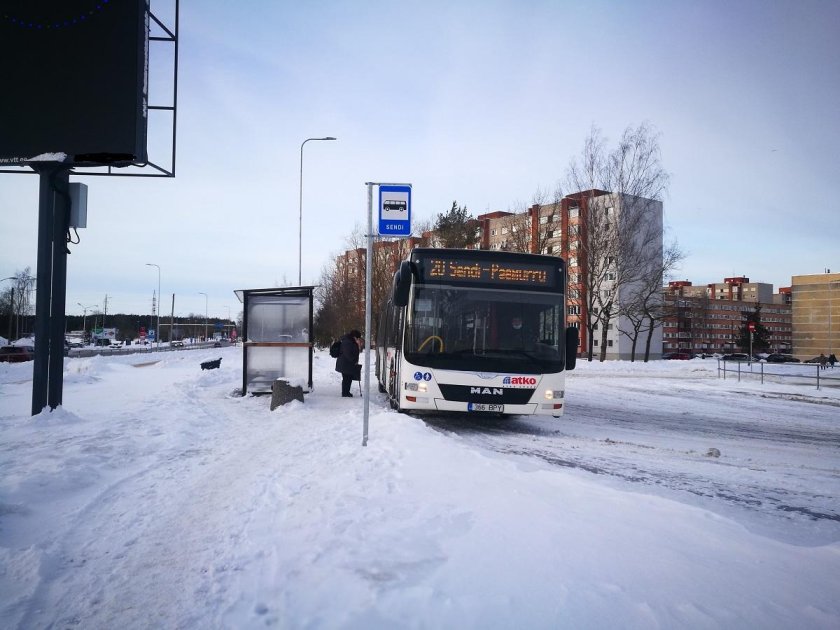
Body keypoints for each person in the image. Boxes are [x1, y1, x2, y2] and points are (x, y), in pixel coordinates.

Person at [335, 329, 362, 397]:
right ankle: (345, 393)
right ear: (354, 336)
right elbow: (348, 354)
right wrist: (354, 360)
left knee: (348, 378)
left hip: (347, 364)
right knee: (346, 378)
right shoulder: (347, 342)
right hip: (345, 363)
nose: (358, 339)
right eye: (357, 338)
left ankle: (346, 392)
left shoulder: (350, 341)